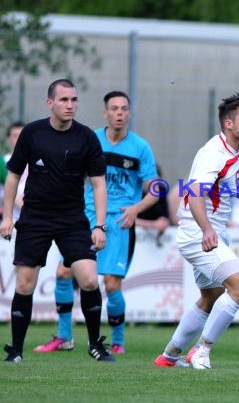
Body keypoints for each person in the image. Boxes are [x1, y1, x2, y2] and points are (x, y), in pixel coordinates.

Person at [33, 90, 159, 355]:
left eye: (124, 109)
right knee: (63, 273)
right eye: (114, 109)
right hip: (85, 218)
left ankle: (117, 342)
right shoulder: (91, 140)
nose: (119, 114)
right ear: (105, 113)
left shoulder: (140, 147)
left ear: (129, 113)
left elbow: (155, 188)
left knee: (112, 283)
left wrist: (137, 208)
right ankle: (64, 337)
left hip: (120, 221)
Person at [1, 78, 114, 362]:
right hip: (35, 217)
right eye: (64, 100)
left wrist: (99, 225)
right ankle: (15, 350)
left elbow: (99, 184)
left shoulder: (86, 137)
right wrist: (7, 217)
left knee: (89, 279)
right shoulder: (32, 133)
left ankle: (95, 345)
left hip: (72, 219)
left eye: (74, 100)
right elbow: (13, 176)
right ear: (50, 102)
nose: (70, 105)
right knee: (25, 285)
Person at [154, 93, 239, 369]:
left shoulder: (234, 151)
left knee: (210, 296)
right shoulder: (214, 153)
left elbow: (225, 187)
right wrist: (206, 230)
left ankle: (169, 355)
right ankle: (201, 350)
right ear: (228, 123)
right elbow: (196, 192)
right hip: (197, 232)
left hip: (209, 230)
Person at [136, 165, 171, 247]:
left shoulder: (161, 191)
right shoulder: (135, 193)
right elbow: (128, 218)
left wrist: (163, 222)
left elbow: (165, 216)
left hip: (151, 238)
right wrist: (153, 224)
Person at [2, 122, 26, 221]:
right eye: (15, 136)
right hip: (8, 221)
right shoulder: (2, 162)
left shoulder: (36, 163)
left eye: (22, 135)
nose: (19, 139)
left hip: (32, 223)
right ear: (8, 139)